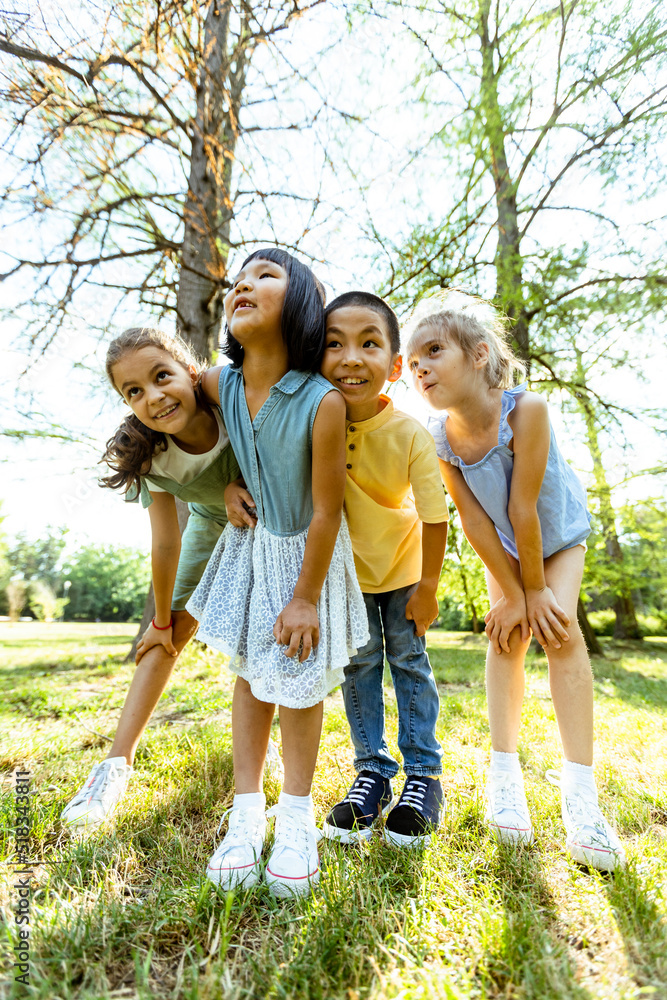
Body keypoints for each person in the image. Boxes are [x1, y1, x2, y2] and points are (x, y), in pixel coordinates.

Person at [405, 292, 625, 871]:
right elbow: (475, 520)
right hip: (504, 549)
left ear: (479, 354)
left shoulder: (527, 410)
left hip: (556, 536)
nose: (419, 367)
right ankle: (505, 777)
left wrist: (534, 594)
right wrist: (510, 594)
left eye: (432, 351)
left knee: (560, 633)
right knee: (505, 639)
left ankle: (582, 798)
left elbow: (524, 508)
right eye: (412, 362)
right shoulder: (438, 438)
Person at [186, 248, 369, 897]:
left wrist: (304, 599)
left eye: (265, 275)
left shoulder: (321, 401)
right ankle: (244, 815)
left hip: (305, 558)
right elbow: (176, 417)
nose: (243, 283)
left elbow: (325, 511)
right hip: (253, 547)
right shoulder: (217, 384)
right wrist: (222, 491)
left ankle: (294, 820)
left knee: (296, 681)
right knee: (249, 674)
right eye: (239, 277)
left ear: (299, 306)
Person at [60, 327, 281, 829]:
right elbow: (165, 541)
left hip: (272, 518)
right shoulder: (151, 454)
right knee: (163, 638)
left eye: (162, 376)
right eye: (133, 391)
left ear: (191, 370)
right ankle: (114, 766)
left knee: (264, 638)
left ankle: (257, 782)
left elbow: (283, 449)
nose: (153, 396)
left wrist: (237, 482)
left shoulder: (227, 393)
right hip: (209, 521)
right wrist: (161, 621)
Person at [316, 291, 449, 848]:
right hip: (347, 578)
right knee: (359, 667)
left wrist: (429, 587)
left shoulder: (410, 433)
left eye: (369, 344)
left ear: (394, 367)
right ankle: (370, 771)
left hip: (402, 573)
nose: (351, 358)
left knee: (409, 664)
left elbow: (437, 516)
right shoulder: (312, 424)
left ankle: (423, 777)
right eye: (334, 344)